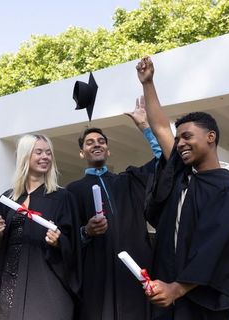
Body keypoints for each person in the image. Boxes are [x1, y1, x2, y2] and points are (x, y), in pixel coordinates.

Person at [136, 56, 229, 319]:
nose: (180, 144)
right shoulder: (183, 177)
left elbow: (218, 251)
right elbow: (160, 129)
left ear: (210, 137)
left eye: (187, 137)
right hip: (168, 295)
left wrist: (177, 289)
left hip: (204, 304)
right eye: (178, 139)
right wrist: (148, 82)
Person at [66, 97, 162, 320]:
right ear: (82, 153)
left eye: (101, 141)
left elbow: (164, 160)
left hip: (134, 270)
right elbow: (66, 238)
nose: (97, 144)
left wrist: (145, 127)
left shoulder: (128, 181)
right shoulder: (71, 191)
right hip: (97, 277)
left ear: (108, 150)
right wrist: (86, 232)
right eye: (89, 142)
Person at [0, 134, 80, 320]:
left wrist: (58, 242)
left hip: (45, 286)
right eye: (39, 152)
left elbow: (74, 245)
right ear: (25, 156)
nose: (45, 157)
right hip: (9, 284)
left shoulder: (63, 198)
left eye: (48, 153)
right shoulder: (7, 200)